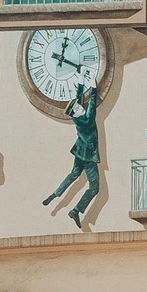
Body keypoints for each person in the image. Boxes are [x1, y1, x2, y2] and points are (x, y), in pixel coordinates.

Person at [41, 82, 102, 229]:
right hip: (88, 156)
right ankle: (76, 210)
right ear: (75, 112)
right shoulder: (86, 120)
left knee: (74, 174)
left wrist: (80, 86)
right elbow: (92, 106)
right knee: (94, 187)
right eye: (77, 108)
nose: (80, 107)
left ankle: (55, 194)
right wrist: (93, 89)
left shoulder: (77, 118)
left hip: (79, 151)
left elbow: (78, 101)